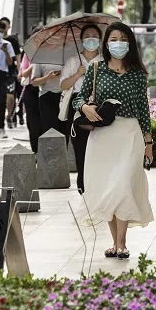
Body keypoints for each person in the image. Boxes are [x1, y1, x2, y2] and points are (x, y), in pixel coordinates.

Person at [75, 22, 154, 260]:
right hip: (103, 137)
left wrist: (148, 143)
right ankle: (114, 242)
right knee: (108, 188)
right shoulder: (96, 68)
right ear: (106, 43)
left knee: (123, 185)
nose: (118, 44)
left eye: (122, 39)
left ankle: (122, 243)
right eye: (113, 39)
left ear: (129, 43)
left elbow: (144, 109)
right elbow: (79, 96)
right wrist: (85, 107)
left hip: (129, 135)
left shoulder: (138, 74)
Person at [61, 24, 104, 194]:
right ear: (81, 40)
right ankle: (82, 184)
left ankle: (98, 183)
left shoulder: (104, 60)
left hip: (99, 104)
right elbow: (63, 85)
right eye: (87, 36)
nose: (91, 39)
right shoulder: (73, 61)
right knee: (80, 145)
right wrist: (78, 74)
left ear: (100, 39)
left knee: (99, 144)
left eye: (94, 35)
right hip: (77, 104)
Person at [30, 60, 65, 136]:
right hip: (47, 96)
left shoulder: (67, 55)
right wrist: (48, 77)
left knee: (65, 129)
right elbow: (34, 82)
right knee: (50, 130)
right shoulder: (40, 57)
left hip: (65, 96)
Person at [19, 33, 41, 153]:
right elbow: (22, 74)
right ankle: (35, 150)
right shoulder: (28, 54)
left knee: (46, 121)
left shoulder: (52, 53)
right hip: (31, 89)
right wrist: (34, 66)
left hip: (47, 89)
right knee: (33, 122)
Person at [0, 16, 22, 128]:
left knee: (11, 97)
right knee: (0, 99)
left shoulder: (12, 40)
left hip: (11, 72)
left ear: (9, 27)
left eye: (5, 25)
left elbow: (18, 56)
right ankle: (1, 120)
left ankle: (9, 115)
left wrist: (19, 71)